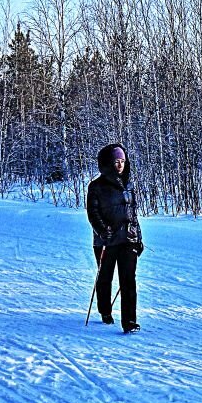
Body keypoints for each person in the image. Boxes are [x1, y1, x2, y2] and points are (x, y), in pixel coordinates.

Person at [86, 143, 145, 333]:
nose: (120, 165)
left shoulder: (128, 184)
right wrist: (103, 231)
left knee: (128, 280)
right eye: (116, 161)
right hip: (106, 241)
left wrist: (138, 238)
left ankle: (130, 322)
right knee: (105, 278)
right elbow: (93, 213)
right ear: (107, 163)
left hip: (128, 239)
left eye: (122, 161)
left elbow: (133, 214)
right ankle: (105, 310)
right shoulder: (96, 186)